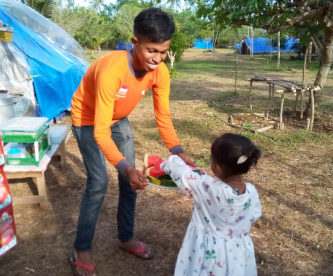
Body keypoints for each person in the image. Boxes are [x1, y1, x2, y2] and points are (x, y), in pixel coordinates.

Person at [69, 8, 194, 276]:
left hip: (117, 119)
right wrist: (124, 167)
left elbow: (163, 117)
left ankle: (125, 238)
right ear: (135, 42)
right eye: (151, 50)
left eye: (163, 52)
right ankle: (81, 248)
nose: (157, 59)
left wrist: (179, 152)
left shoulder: (160, 73)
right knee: (99, 182)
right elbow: (100, 131)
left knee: (130, 181)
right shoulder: (110, 71)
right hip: (88, 119)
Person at [160, 133, 262, 276]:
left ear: (218, 169)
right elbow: (255, 214)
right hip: (237, 251)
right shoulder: (251, 191)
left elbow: (181, 173)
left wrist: (170, 161)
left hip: (209, 252)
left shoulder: (207, 187)